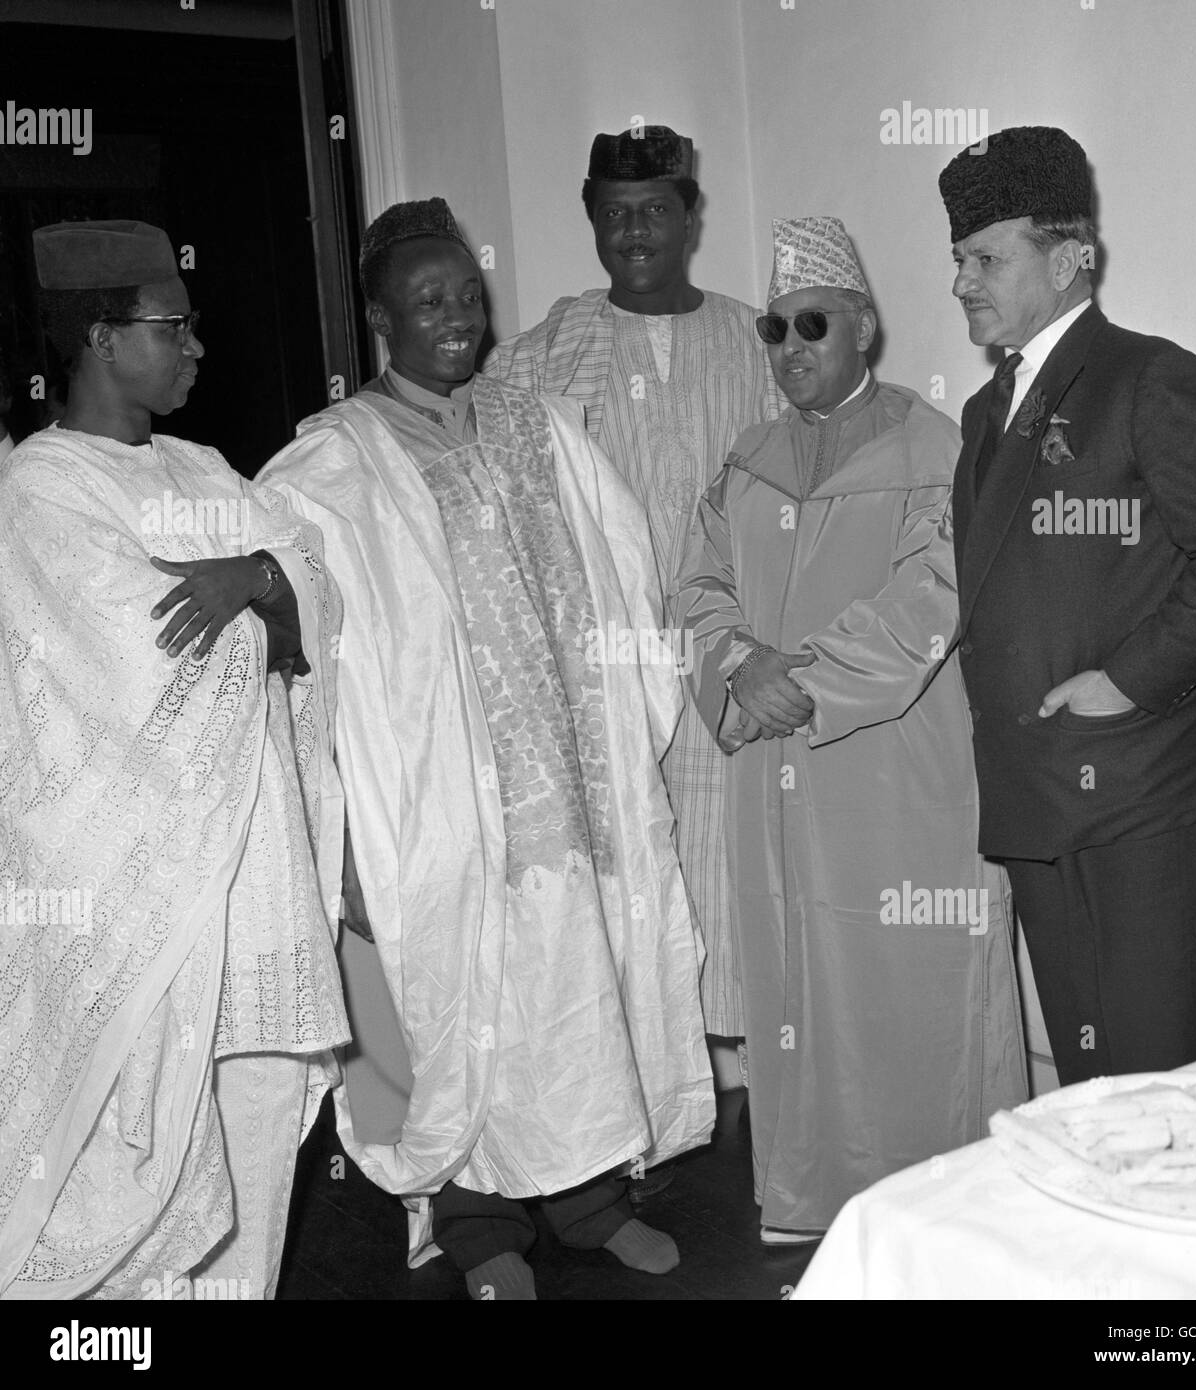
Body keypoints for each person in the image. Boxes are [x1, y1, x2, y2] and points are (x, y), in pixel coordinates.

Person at [259, 198, 715, 1300]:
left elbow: (618, 561)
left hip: (565, 774)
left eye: (467, 294)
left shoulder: (534, 420)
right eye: (428, 300)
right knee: (469, 1005)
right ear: (379, 316)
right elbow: (306, 642)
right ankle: (476, 1227)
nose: (456, 316)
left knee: (580, 985)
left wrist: (621, 713)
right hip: (441, 796)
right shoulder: (333, 461)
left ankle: (592, 1199)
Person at [0, 220, 348, 1299]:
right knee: (132, 1147)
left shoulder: (201, 467)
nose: (196, 346)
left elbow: (309, 597)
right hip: (137, 902)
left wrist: (252, 574)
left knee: (252, 1123)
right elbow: (136, 656)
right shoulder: (40, 490)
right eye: (173, 326)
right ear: (101, 337)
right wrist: (254, 593)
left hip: (254, 877)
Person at [675, 216, 1026, 1241]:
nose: (790, 348)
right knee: (797, 989)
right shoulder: (745, 461)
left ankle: (937, 1227)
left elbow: (936, 593)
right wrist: (740, 665)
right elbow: (695, 585)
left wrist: (805, 682)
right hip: (774, 783)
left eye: (812, 325)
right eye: (773, 329)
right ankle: (809, 1219)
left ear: (863, 330)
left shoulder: (933, 447)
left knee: (904, 998)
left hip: (893, 783)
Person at [937, 126, 1196, 1084]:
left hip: (1141, 785)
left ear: (1069, 257)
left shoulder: (1148, 376)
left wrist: (1122, 683)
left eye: (987, 256)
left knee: (1154, 1081)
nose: (963, 280)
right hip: (1036, 791)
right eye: (958, 258)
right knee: (1089, 1086)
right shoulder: (981, 412)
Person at [487, 125, 779, 1070]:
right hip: (604, 666)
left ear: (690, 217)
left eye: (655, 210)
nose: (635, 232)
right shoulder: (546, 351)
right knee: (628, 873)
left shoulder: (753, 337)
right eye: (614, 215)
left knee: (730, 870)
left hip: (724, 650)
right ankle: (645, 1078)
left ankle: (733, 1064)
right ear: (591, 219)